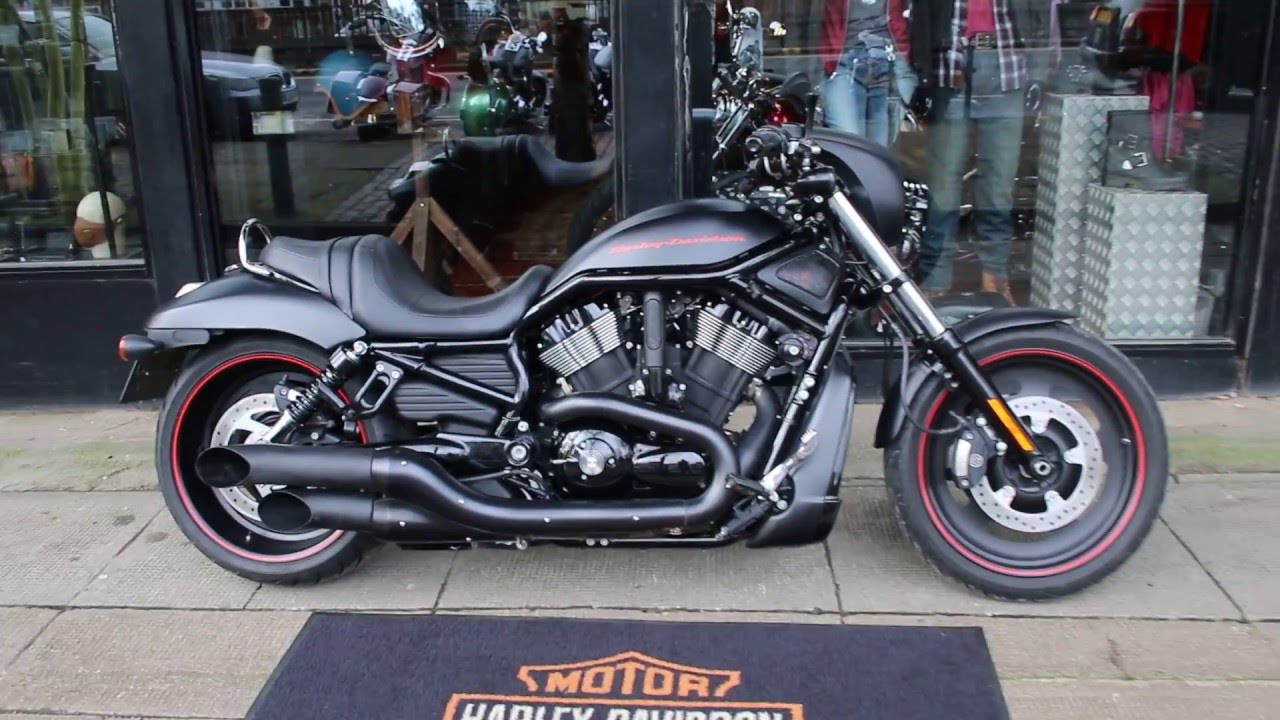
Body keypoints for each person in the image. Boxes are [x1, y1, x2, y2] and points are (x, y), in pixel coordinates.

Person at [909, 0, 1027, 300]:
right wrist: (922, 71)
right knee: (944, 184)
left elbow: (1037, 13)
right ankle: (935, 279)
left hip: (1006, 65)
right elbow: (923, 13)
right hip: (951, 67)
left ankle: (995, 277)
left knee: (999, 182)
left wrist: (1045, 61)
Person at [819, 0, 896, 146]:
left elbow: (901, 24)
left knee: (878, 148)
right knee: (851, 143)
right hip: (843, 65)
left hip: (885, 67)